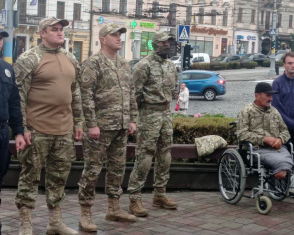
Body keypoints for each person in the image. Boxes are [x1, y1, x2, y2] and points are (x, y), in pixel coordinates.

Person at [14, 17, 84, 235]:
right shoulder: (29, 58)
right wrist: (22, 128)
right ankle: (26, 224)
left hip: (63, 130)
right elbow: (19, 97)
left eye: (62, 29)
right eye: (54, 29)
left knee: (59, 177)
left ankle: (55, 222)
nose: (60, 32)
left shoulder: (71, 58)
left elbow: (75, 93)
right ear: (42, 33)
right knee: (30, 177)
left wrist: (79, 122)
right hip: (37, 130)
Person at [77, 24, 137, 231]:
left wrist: (132, 119)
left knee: (117, 169)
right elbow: (86, 97)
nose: (119, 38)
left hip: (120, 127)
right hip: (100, 129)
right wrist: (91, 124)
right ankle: (85, 213)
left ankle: (113, 208)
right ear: (103, 39)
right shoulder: (92, 64)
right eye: (114, 35)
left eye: (120, 35)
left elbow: (130, 93)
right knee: (92, 171)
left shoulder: (123, 64)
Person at [127, 32, 178, 217]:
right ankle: (135, 198)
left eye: (169, 42)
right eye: (164, 42)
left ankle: (159, 194)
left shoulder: (171, 65)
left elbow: (174, 88)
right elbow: (135, 95)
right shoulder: (143, 65)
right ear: (155, 44)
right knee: (145, 156)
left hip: (166, 112)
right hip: (149, 113)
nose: (167, 45)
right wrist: (135, 116)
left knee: (165, 154)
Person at [237, 82, 293, 181]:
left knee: (288, 161)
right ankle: (279, 177)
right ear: (257, 96)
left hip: (277, 149)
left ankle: (286, 177)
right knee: (282, 165)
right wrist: (264, 139)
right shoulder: (246, 111)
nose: (271, 99)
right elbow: (242, 134)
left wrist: (280, 139)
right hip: (257, 150)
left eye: (271, 96)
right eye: (267, 95)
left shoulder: (274, 111)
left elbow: (285, 131)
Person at [272, 52, 294, 192]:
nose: (293, 66)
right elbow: (276, 106)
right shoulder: (277, 83)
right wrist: (290, 122)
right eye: (290, 63)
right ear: (284, 65)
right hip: (281, 128)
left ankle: (293, 182)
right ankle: (280, 184)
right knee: (281, 156)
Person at [0, 31, 23, 202]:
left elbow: (14, 103)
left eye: (0, 38)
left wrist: (19, 132)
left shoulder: (7, 69)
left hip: (1, 132)